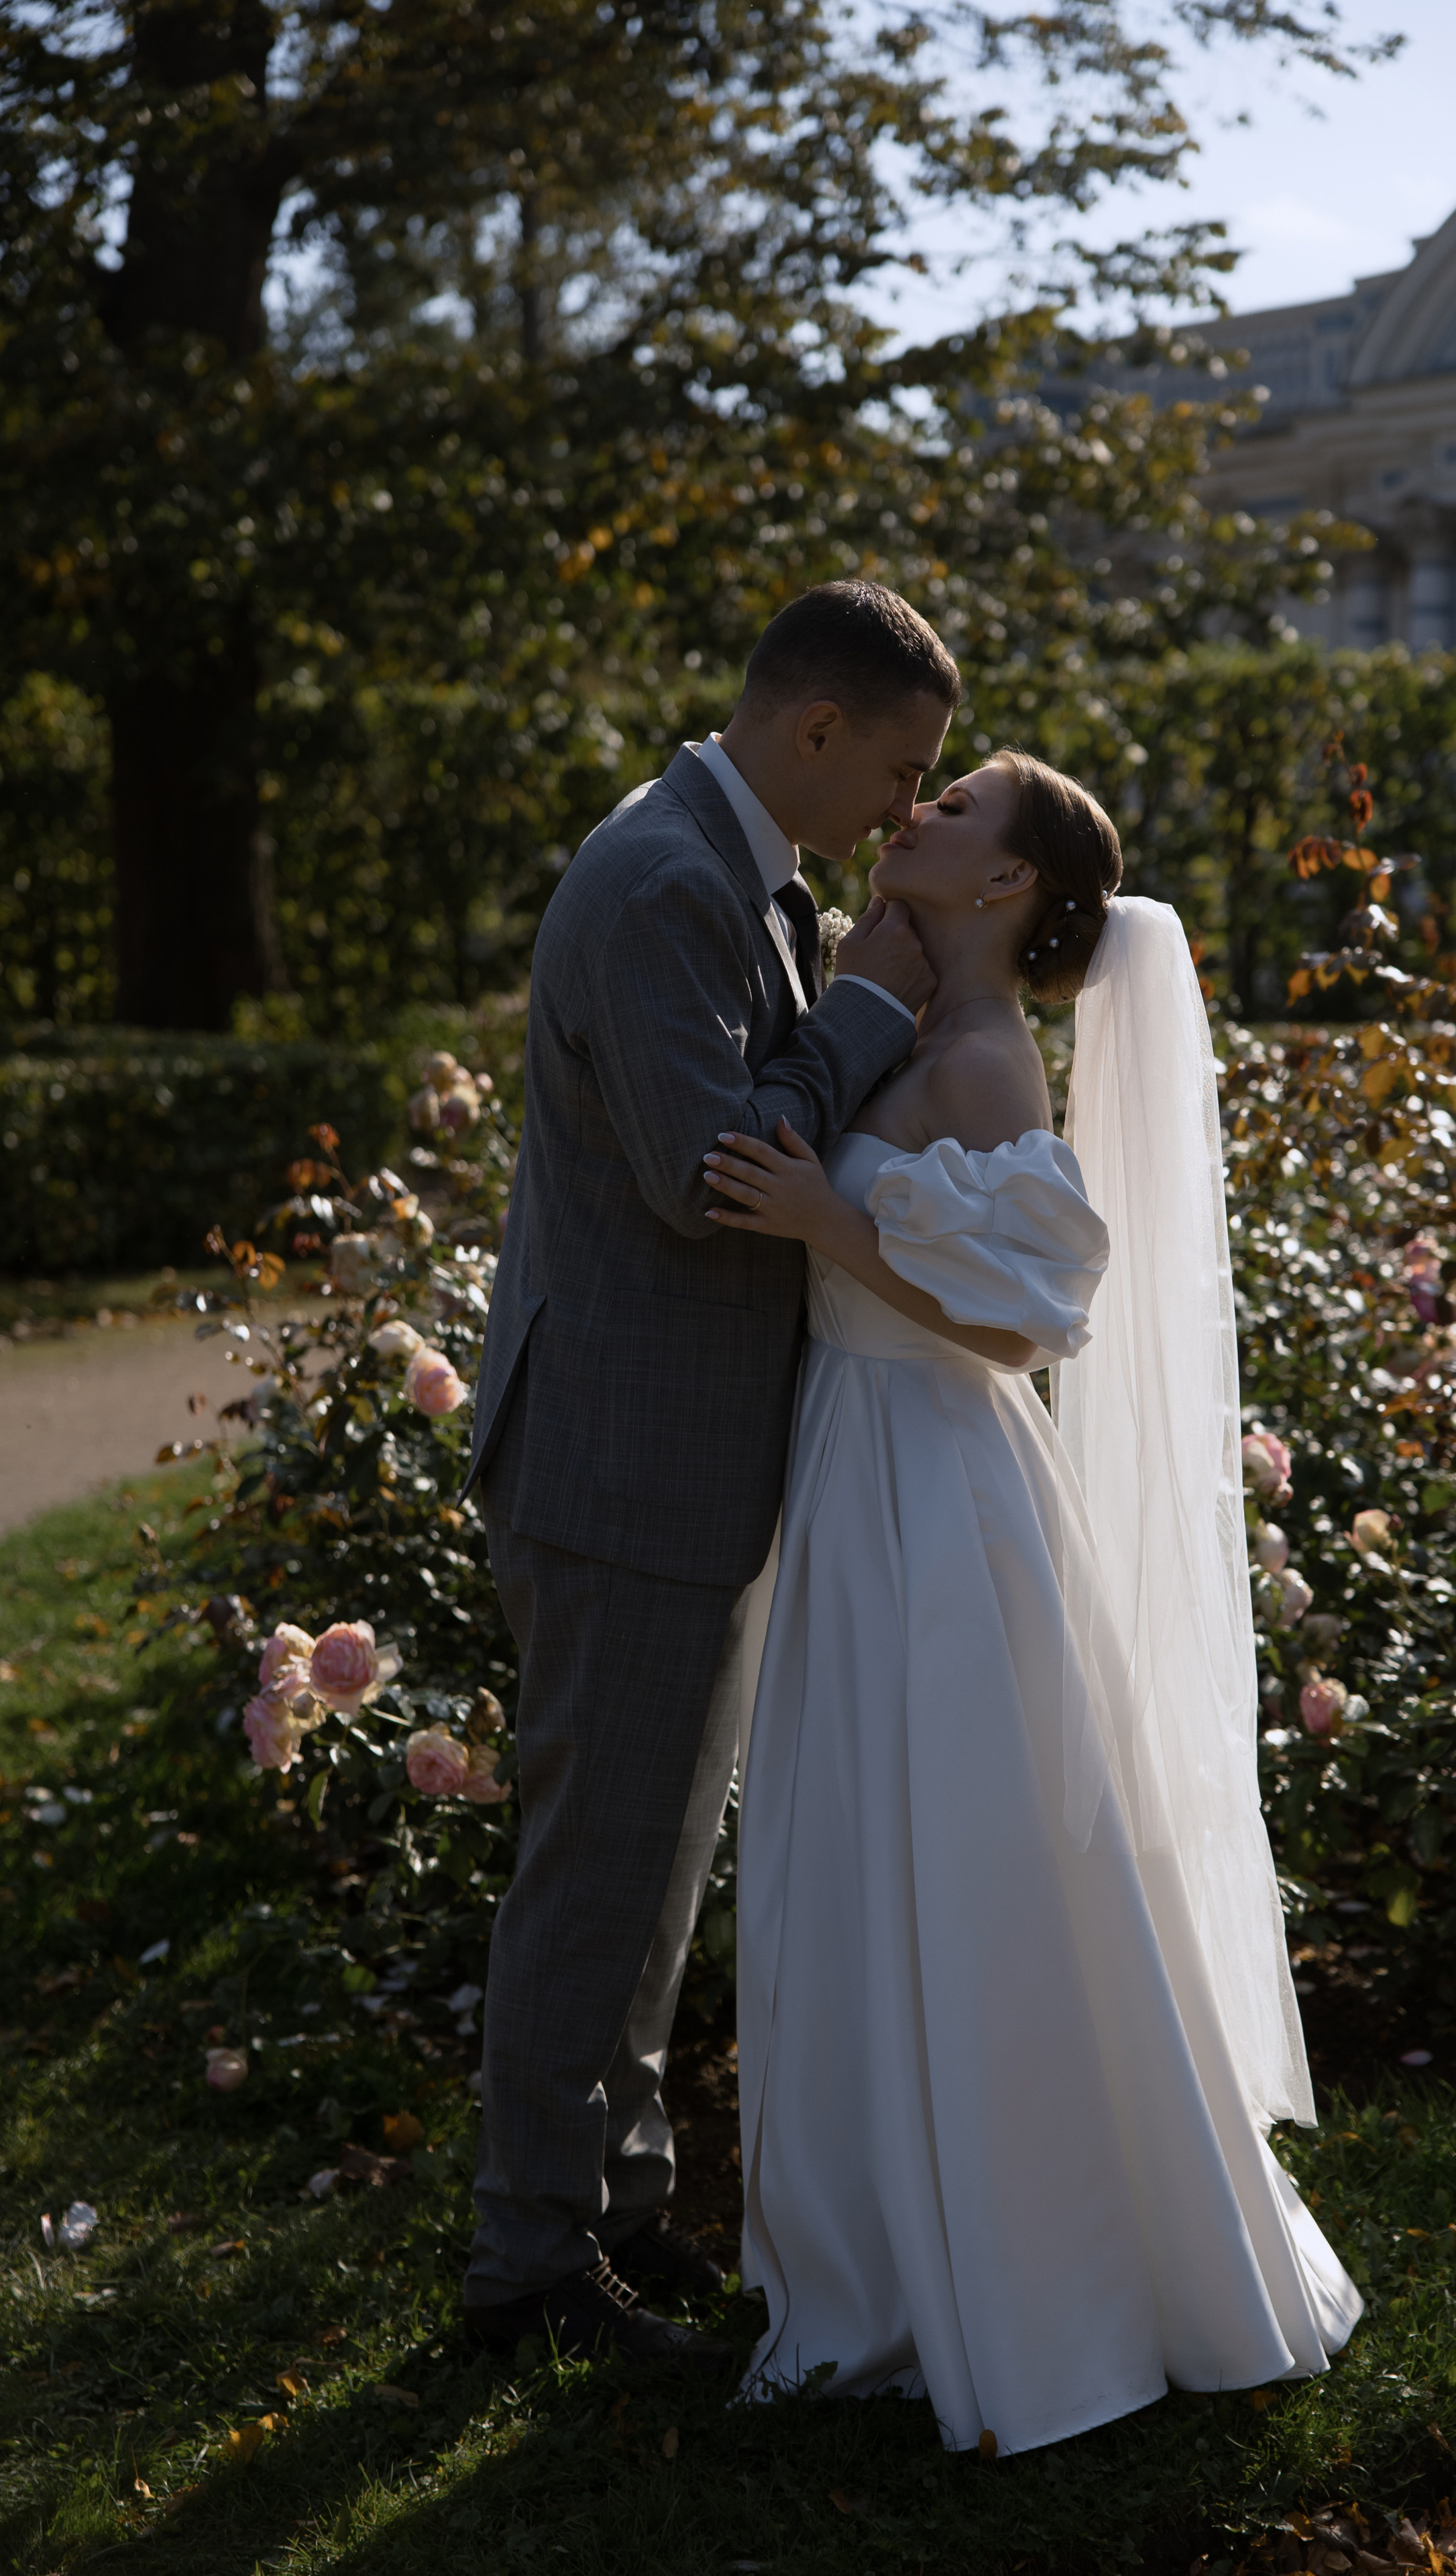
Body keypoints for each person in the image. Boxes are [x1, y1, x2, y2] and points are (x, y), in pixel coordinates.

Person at [702, 751, 1361, 2453]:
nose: (915, 812)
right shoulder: (920, 1024)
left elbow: (1027, 1319)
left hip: (939, 1489)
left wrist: (824, 1231)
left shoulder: (990, 1063)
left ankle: (1016, 2270)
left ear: (1005, 887)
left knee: (963, 1862)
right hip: (866, 1465)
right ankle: (875, 2256)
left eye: (957, 810)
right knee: (860, 1860)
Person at [461, 582, 961, 2367]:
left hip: (664, 1456)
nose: (913, 810)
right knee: (599, 1874)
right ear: (813, 729)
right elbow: (715, 1169)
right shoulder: (670, 880)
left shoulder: (730, 863)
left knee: (653, 1874)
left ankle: (617, 2212)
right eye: (904, 769)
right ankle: (528, 2271)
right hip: (621, 1468)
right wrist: (875, 1012)